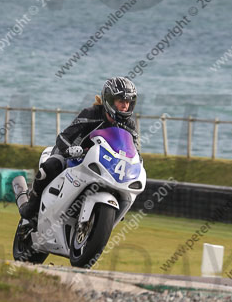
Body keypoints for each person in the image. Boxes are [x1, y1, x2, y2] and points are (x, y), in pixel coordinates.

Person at [18, 77, 140, 222]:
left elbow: (135, 151)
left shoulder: (130, 126)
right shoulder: (91, 113)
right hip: (73, 156)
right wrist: (69, 150)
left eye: (128, 102)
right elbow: (63, 137)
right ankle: (30, 207)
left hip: (102, 164)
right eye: (121, 101)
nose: (125, 106)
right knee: (50, 167)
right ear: (109, 99)